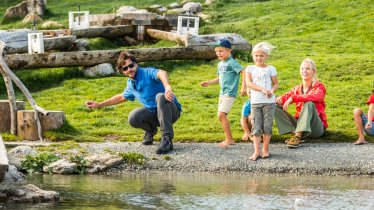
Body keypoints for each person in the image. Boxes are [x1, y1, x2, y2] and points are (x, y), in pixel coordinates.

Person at [85, 52, 182, 154]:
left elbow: (161, 73)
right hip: (155, 115)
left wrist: (167, 87)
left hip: (171, 112)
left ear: (136, 64)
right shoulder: (130, 84)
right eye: (125, 68)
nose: (129, 69)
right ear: (122, 72)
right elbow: (122, 96)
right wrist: (100, 104)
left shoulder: (147, 72)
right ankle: (151, 130)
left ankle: (167, 139)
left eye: (131, 66)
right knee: (133, 117)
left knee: (160, 96)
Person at [200, 39, 244, 148]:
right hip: (222, 93)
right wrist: (209, 83)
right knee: (220, 116)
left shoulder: (232, 62)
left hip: (230, 93)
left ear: (229, 51)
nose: (219, 53)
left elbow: (244, 72)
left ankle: (229, 139)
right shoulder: (220, 64)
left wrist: (244, 87)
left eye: (221, 51)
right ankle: (229, 139)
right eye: (217, 51)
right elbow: (220, 78)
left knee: (221, 114)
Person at [275, 58, 327, 148]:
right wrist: (278, 99)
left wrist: (293, 98)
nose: (304, 71)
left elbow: (318, 97)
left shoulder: (319, 86)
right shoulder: (297, 88)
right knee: (275, 107)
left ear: (313, 72)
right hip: (299, 124)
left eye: (307, 69)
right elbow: (285, 97)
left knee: (309, 103)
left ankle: (298, 136)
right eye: (302, 69)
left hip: (315, 128)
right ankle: (295, 133)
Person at [245, 42, 278, 161]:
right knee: (256, 126)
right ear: (253, 55)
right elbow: (249, 83)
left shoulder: (271, 68)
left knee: (267, 126)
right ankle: (256, 151)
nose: (259, 58)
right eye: (256, 55)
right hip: (255, 102)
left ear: (266, 57)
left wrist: (271, 90)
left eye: (261, 56)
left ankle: (265, 150)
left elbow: (276, 84)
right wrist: (262, 89)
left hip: (269, 102)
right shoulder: (250, 69)